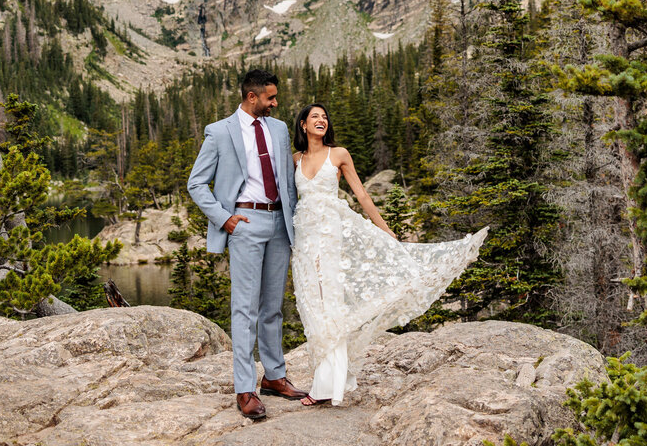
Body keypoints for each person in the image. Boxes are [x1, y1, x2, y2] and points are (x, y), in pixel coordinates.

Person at [290, 103, 487, 406]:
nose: (321, 121)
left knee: (330, 304)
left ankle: (325, 386)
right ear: (303, 125)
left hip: (330, 237)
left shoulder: (339, 154)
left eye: (325, 117)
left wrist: (385, 229)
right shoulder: (294, 160)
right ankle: (328, 378)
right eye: (314, 117)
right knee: (311, 308)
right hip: (304, 241)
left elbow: (362, 195)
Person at [186, 69, 306, 420]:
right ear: (251, 97)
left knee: (273, 306)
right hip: (245, 224)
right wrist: (225, 219)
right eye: (270, 97)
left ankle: (274, 377)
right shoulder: (220, 131)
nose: (275, 102)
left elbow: (286, 179)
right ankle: (244, 390)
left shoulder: (279, 128)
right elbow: (196, 184)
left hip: (279, 223)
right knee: (244, 309)